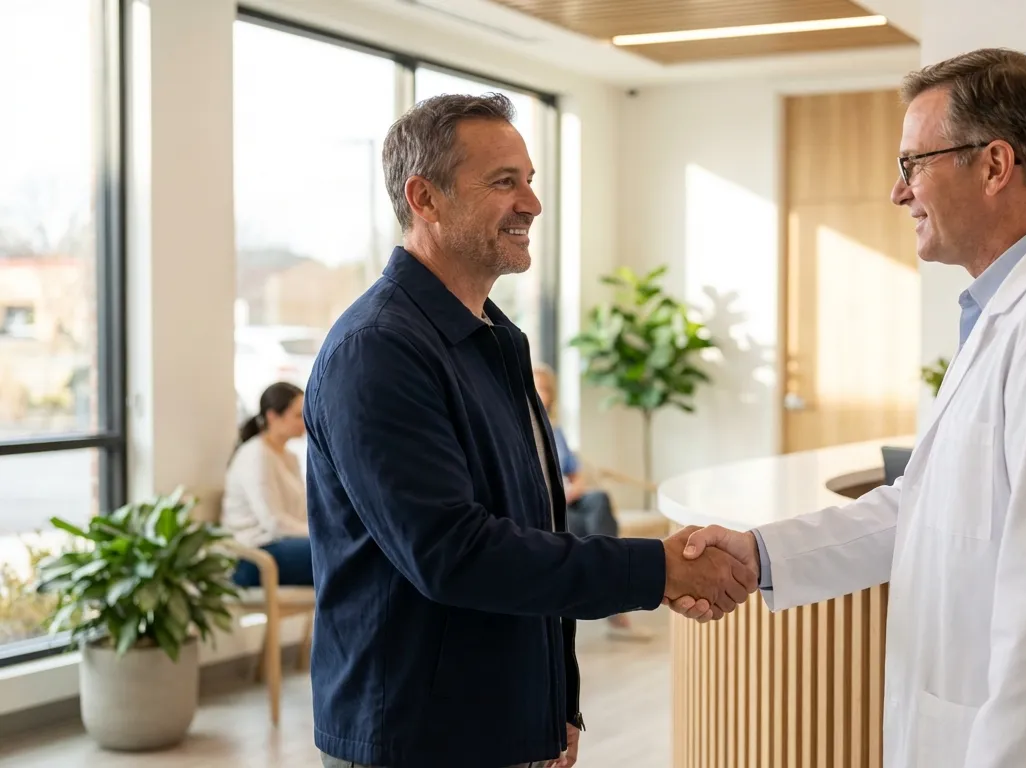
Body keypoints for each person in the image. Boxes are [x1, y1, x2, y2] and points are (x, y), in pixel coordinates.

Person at [670, 48, 1026, 767]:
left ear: (994, 165)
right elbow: (926, 506)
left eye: (913, 163)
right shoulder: (1015, 309)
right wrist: (762, 555)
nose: (897, 191)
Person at [303, 92, 755, 768]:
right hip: (416, 740)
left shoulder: (493, 339)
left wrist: (551, 706)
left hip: (498, 726)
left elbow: (532, 533)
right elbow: (454, 554)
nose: (532, 205)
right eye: (504, 183)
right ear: (424, 198)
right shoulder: (379, 351)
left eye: (531, 181)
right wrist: (656, 567)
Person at [531, 362, 652, 642]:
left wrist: (577, 486)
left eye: (546, 389)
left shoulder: (556, 430)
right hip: (548, 501)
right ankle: (613, 602)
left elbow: (575, 471)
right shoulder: (522, 428)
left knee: (598, 501)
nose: (542, 394)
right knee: (574, 525)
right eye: (537, 388)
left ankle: (611, 581)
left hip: (569, 496)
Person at [222, 381, 312, 587]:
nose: (305, 421)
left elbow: (301, 513)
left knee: (343, 550)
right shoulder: (256, 454)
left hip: (283, 546)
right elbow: (273, 522)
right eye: (298, 415)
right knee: (337, 552)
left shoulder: (290, 457)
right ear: (272, 416)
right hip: (254, 556)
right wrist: (318, 534)